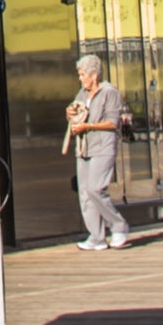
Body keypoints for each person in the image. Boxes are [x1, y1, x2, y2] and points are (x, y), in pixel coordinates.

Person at [67, 55, 127, 251]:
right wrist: (70, 113)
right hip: (84, 148)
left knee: (95, 188)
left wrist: (88, 126)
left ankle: (118, 226)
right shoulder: (83, 93)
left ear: (94, 75)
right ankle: (96, 237)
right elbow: (74, 110)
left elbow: (112, 122)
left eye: (83, 74)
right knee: (84, 193)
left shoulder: (110, 92)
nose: (80, 78)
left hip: (103, 146)